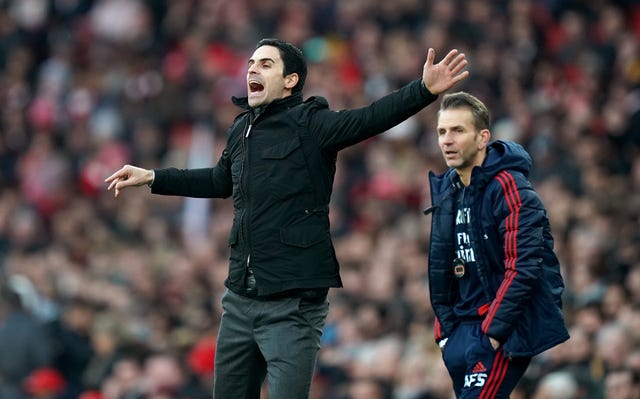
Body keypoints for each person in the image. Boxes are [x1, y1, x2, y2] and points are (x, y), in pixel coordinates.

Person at [104, 38, 469, 399]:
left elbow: (369, 118)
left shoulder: (311, 123)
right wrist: (153, 177)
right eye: (250, 63)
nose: (252, 69)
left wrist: (423, 90)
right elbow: (219, 181)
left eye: (265, 64)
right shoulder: (241, 129)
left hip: (292, 304)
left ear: (290, 80)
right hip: (239, 300)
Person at [424, 92, 569, 398]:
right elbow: (442, 267)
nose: (447, 140)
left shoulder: (509, 186)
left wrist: (492, 334)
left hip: (497, 331)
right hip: (459, 332)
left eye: (458, 130)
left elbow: (524, 266)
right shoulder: (447, 191)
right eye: (442, 131)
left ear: (482, 138)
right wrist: (445, 334)